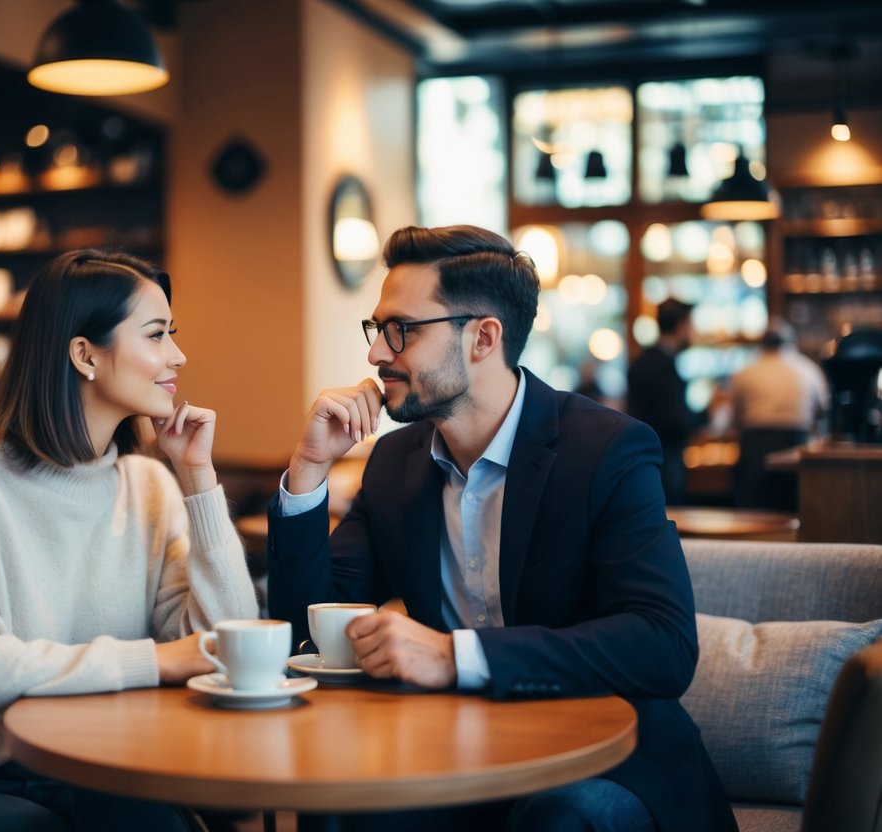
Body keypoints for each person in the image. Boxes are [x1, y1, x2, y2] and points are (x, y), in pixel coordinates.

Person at [267, 225, 736, 832]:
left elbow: (663, 644)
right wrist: (308, 470)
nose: (377, 354)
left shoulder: (606, 450)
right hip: (455, 759)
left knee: (563, 816)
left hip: (605, 766)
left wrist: (454, 655)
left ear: (484, 338)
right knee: (339, 803)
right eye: (377, 329)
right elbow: (307, 633)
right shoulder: (393, 465)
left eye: (400, 330)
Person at [0, 250, 259, 832]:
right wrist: (152, 661)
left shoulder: (150, 485)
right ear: (84, 354)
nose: (177, 356)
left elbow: (220, 644)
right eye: (156, 335)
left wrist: (198, 481)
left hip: (108, 769)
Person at [730, 320, 828, 509]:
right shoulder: (808, 369)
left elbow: (736, 417)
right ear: (792, 343)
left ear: (762, 344)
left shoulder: (746, 371)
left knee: (755, 507)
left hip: (756, 442)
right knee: (793, 504)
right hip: (796, 441)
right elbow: (823, 411)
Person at [625, 298, 708, 505]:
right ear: (681, 326)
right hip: (665, 466)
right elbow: (675, 422)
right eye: (691, 324)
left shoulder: (641, 361)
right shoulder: (664, 367)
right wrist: (707, 414)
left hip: (640, 463)